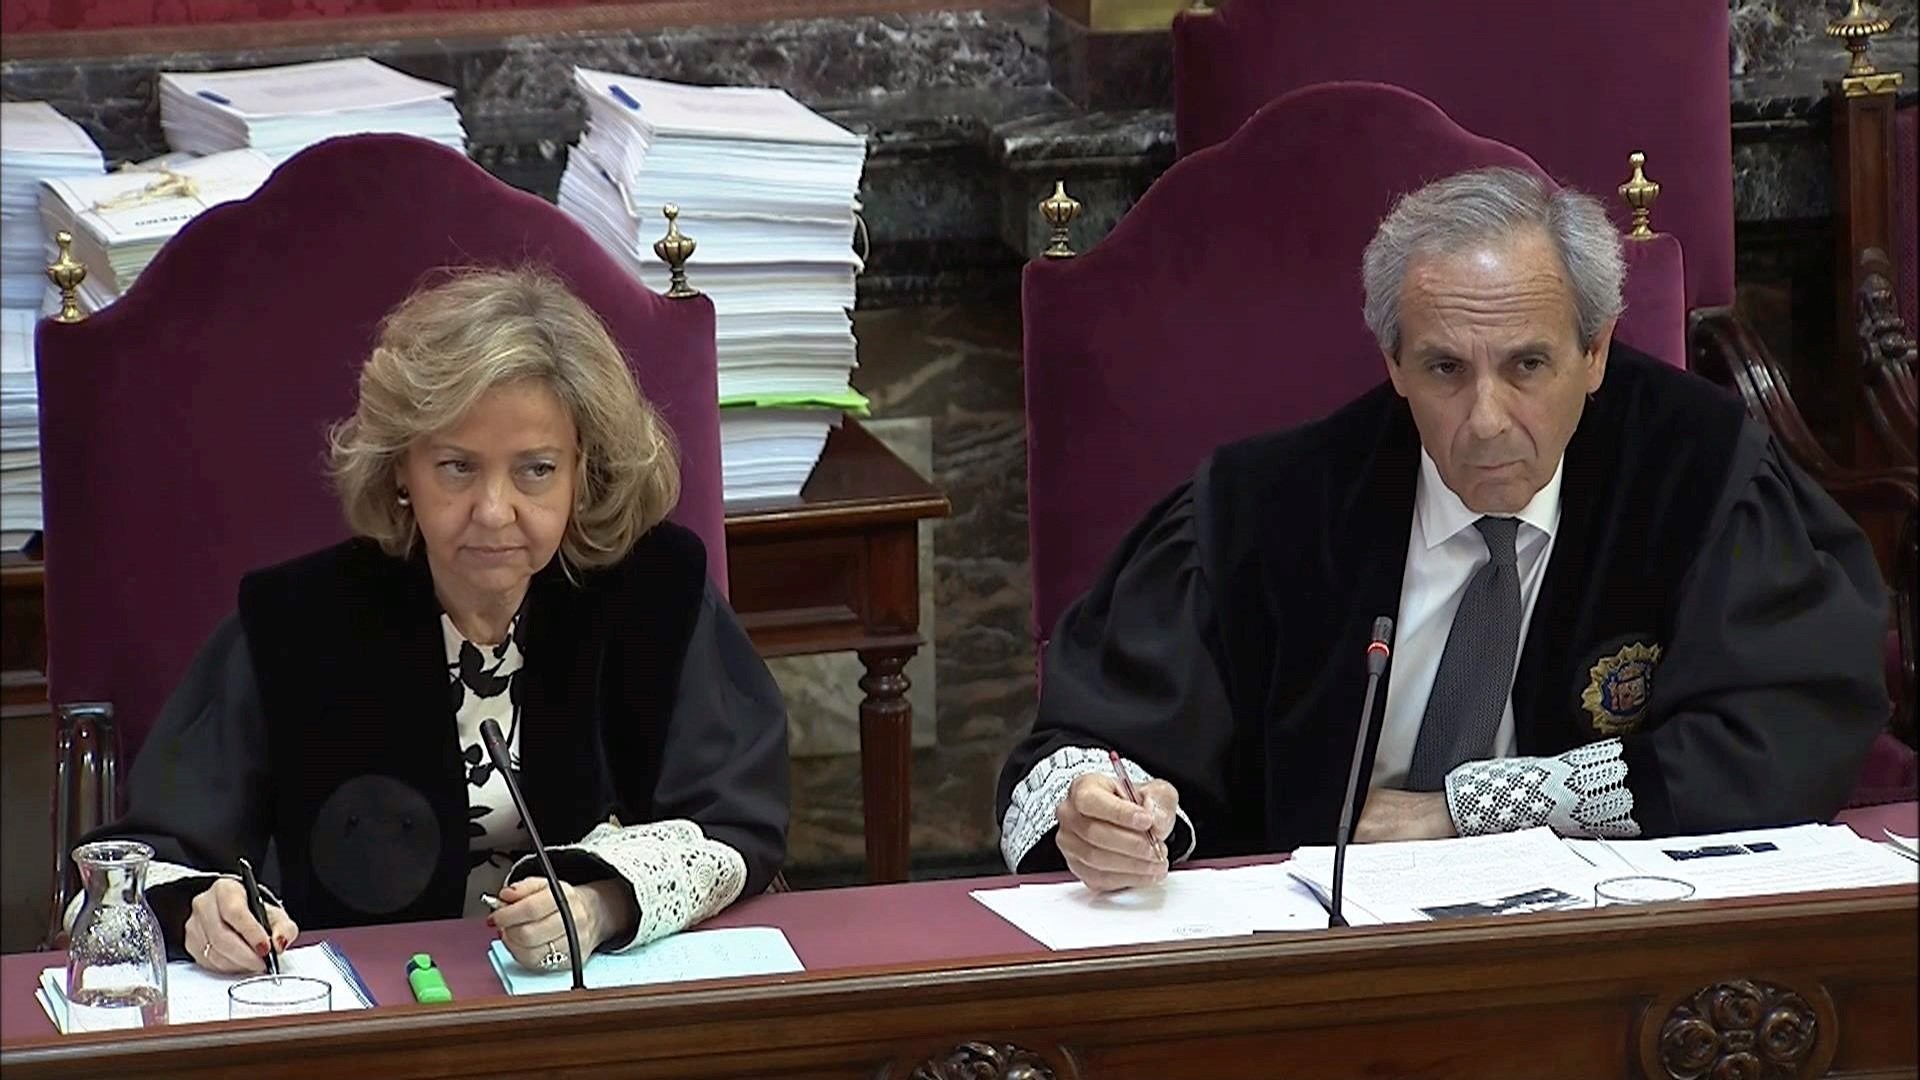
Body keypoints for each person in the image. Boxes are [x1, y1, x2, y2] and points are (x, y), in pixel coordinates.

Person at [997, 167, 1889, 892]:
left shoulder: (1701, 474)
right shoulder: (1266, 512)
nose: (1488, 421)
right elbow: (1086, 746)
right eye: (1445, 370)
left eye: (1528, 364)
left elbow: (1784, 734)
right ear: (1393, 363)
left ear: (1596, 352)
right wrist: (1101, 811)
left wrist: (1467, 809)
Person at [77, 267, 789, 973]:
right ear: (401, 470)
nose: (494, 511)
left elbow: (735, 825)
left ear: (584, 469)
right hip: (373, 1012)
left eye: (537, 469)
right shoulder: (296, 624)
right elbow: (138, 868)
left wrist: (602, 905)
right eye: (456, 467)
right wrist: (204, 911)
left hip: (595, 1004)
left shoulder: (656, 593)